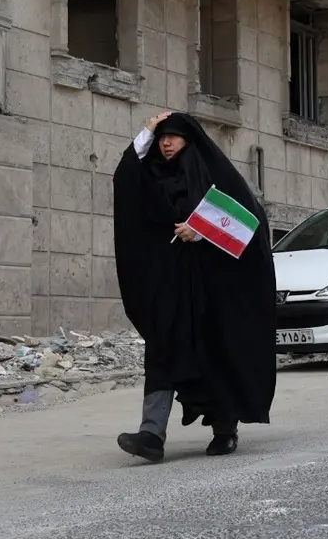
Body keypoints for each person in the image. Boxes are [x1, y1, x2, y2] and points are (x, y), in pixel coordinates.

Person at [111, 110, 277, 463]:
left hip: (214, 287)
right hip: (171, 288)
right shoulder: (152, 178)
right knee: (161, 351)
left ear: (190, 139)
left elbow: (249, 221)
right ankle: (151, 434)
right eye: (161, 138)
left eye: (173, 136)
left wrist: (203, 231)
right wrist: (148, 129)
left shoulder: (215, 176)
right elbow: (125, 179)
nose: (166, 143)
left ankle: (224, 429)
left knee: (216, 352)